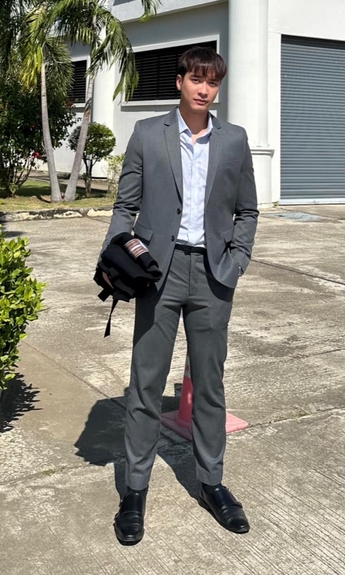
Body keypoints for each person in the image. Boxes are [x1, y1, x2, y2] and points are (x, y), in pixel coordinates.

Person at [101, 46, 259, 545]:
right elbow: (125, 206)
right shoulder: (148, 134)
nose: (204, 89)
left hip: (213, 276)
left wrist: (236, 262)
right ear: (180, 81)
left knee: (209, 385)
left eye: (212, 82)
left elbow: (248, 211)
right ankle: (135, 490)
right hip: (159, 275)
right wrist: (120, 255)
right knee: (146, 383)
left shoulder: (234, 140)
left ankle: (212, 483)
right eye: (196, 79)